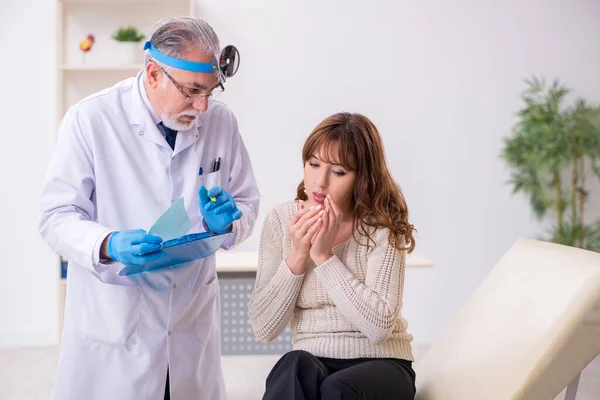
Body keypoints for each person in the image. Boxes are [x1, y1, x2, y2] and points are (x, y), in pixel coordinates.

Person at [39, 17, 260, 400]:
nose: (203, 105)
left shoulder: (220, 122)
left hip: (190, 321)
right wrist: (107, 243)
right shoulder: (92, 119)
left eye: (211, 91)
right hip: (116, 324)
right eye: (192, 91)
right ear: (154, 73)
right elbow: (55, 217)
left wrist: (228, 224)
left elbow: (246, 201)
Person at [248, 112, 416, 400]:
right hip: (314, 357)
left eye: (338, 172)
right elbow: (264, 327)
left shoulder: (383, 225)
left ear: (362, 177)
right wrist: (298, 254)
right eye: (313, 165)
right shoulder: (281, 220)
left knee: (338, 389)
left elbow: (378, 328)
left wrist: (324, 256)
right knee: (292, 366)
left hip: (383, 362)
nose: (320, 182)